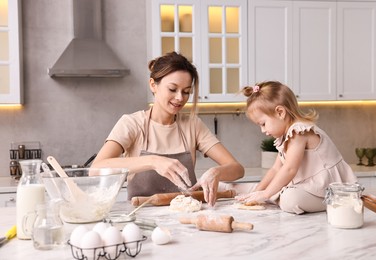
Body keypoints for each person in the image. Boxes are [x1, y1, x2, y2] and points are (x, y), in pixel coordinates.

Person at [91, 52, 244, 206]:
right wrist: (153, 161)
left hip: (186, 217)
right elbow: (96, 169)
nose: (179, 98)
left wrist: (216, 172)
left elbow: (237, 168)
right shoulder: (132, 124)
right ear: (153, 85)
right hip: (141, 217)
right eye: (172, 89)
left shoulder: (193, 125)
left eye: (186, 92)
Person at [234, 81, 357, 214]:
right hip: (312, 187)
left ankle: (340, 201)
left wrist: (265, 194)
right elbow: (276, 169)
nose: (262, 130)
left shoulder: (298, 131)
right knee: (272, 190)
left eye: (263, 124)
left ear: (280, 112)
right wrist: (257, 191)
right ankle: (272, 195)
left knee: (289, 200)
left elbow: (290, 169)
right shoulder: (284, 136)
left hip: (330, 188)